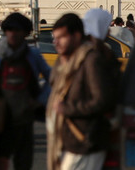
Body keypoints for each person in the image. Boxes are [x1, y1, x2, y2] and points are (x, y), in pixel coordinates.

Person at [47, 13, 117, 170]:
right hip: (70, 141)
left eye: (62, 37)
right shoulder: (68, 60)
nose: (56, 43)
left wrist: (67, 109)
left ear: (77, 35)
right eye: (55, 38)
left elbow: (102, 100)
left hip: (85, 141)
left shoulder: (91, 60)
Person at [0, 13, 51, 170]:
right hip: (0, 118)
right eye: (9, 30)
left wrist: (40, 100)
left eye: (17, 30)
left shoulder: (33, 55)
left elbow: (52, 78)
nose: (13, 34)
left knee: (24, 162)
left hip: (24, 117)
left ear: (25, 33)